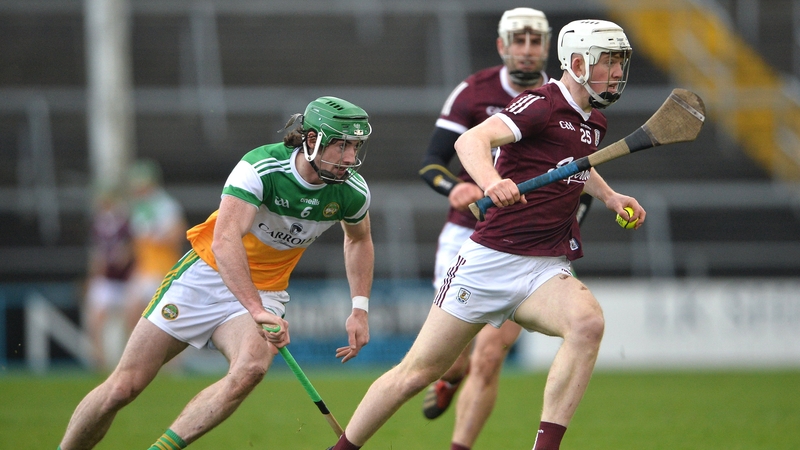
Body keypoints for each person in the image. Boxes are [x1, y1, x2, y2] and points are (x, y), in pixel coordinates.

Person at [328, 19, 643, 450]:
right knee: (416, 374)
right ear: (577, 62)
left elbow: (576, 164)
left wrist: (609, 196)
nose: (617, 71)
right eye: (609, 61)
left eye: (620, 62)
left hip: (544, 267)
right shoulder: (541, 103)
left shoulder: (594, 122)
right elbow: (470, 142)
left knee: (587, 323)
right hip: (490, 261)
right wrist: (491, 180)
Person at [58, 96, 375, 450]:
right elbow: (225, 242)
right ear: (312, 139)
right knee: (123, 386)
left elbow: (359, 240)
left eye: (356, 146)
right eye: (341, 145)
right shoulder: (261, 168)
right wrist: (256, 309)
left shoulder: (351, 192)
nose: (350, 157)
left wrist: (359, 307)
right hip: (205, 275)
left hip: (266, 289)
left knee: (250, 370)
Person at [418, 9, 593, 450]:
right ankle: (450, 378)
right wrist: (453, 189)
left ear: (549, 47)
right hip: (467, 236)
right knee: (453, 362)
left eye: (536, 42)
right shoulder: (473, 92)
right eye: (519, 41)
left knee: (490, 356)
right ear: (502, 46)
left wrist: (557, 231)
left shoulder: (567, 98)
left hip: (528, 250)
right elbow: (431, 164)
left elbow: (581, 182)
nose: (528, 50)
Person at [124, 159, 188, 336]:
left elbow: (178, 232)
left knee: (168, 316)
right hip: (145, 268)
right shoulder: (139, 207)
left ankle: (173, 360)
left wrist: (158, 237)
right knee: (133, 311)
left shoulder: (166, 205)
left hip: (162, 267)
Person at [83, 185, 135, 371]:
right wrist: (93, 276)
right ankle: (100, 361)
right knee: (95, 320)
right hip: (105, 280)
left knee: (133, 321)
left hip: (125, 280)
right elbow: (97, 254)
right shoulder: (98, 224)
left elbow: (131, 249)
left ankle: (132, 361)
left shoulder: (124, 223)